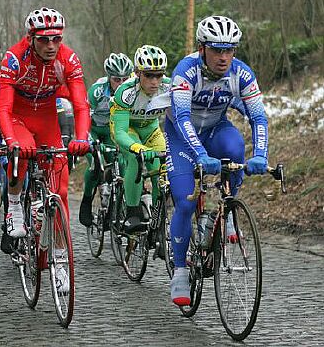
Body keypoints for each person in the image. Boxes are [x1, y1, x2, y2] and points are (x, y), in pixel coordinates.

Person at [166, 16, 269, 306]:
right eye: (216, 49)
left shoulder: (242, 73)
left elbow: (258, 116)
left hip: (214, 129)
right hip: (181, 136)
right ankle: (181, 271)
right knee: (185, 202)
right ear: (202, 48)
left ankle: (228, 212)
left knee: (235, 146)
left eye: (229, 50)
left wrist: (260, 154)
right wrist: (200, 155)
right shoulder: (185, 71)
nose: (224, 57)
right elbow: (183, 118)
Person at [0, 7, 91, 294]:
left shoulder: (68, 58)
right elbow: (3, 107)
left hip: (47, 119)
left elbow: (80, 104)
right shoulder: (14, 58)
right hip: (18, 117)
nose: (51, 46)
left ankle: (59, 263)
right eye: (44, 40)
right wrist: (11, 140)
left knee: (60, 194)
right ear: (31, 38)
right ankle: (13, 207)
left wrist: (81, 137)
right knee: (23, 151)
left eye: (56, 39)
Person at [110, 45, 171, 233]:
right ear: (137, 73)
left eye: (159, 75)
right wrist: (138, 148)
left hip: (151, 129)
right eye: (148, 75)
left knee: (162, 170)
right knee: (136, 159)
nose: (155, 81)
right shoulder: (126, 91)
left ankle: (158, 220)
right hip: (127, 129)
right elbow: (120, 133)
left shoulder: (169, 87)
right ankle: (132, 213)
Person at [79, 52, 133, 227]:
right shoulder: (97, 91)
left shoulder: (133, 90)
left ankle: (114, 206)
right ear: (109, 77)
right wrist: (91, 143)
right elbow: (85, 119)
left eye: (125, 79)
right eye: (117, 79)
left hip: (112, 131)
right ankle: (86, 202)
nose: (121, 84)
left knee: (123, 164)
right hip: (93, 129)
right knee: (96, 165)